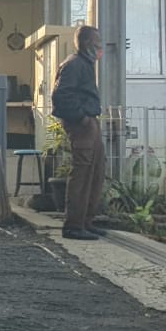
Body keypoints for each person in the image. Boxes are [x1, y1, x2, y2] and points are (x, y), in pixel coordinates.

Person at [52, 26, 106, 240]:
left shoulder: (84, 64)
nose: (100, 47)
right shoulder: (74, 65)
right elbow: (61, 95)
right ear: (86, 44)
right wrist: (82, 118)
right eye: (97, 42)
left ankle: (86, 221)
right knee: (82, 173)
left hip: (89, 122)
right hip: (82, 124)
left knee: (96, 171)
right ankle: (74, 225)